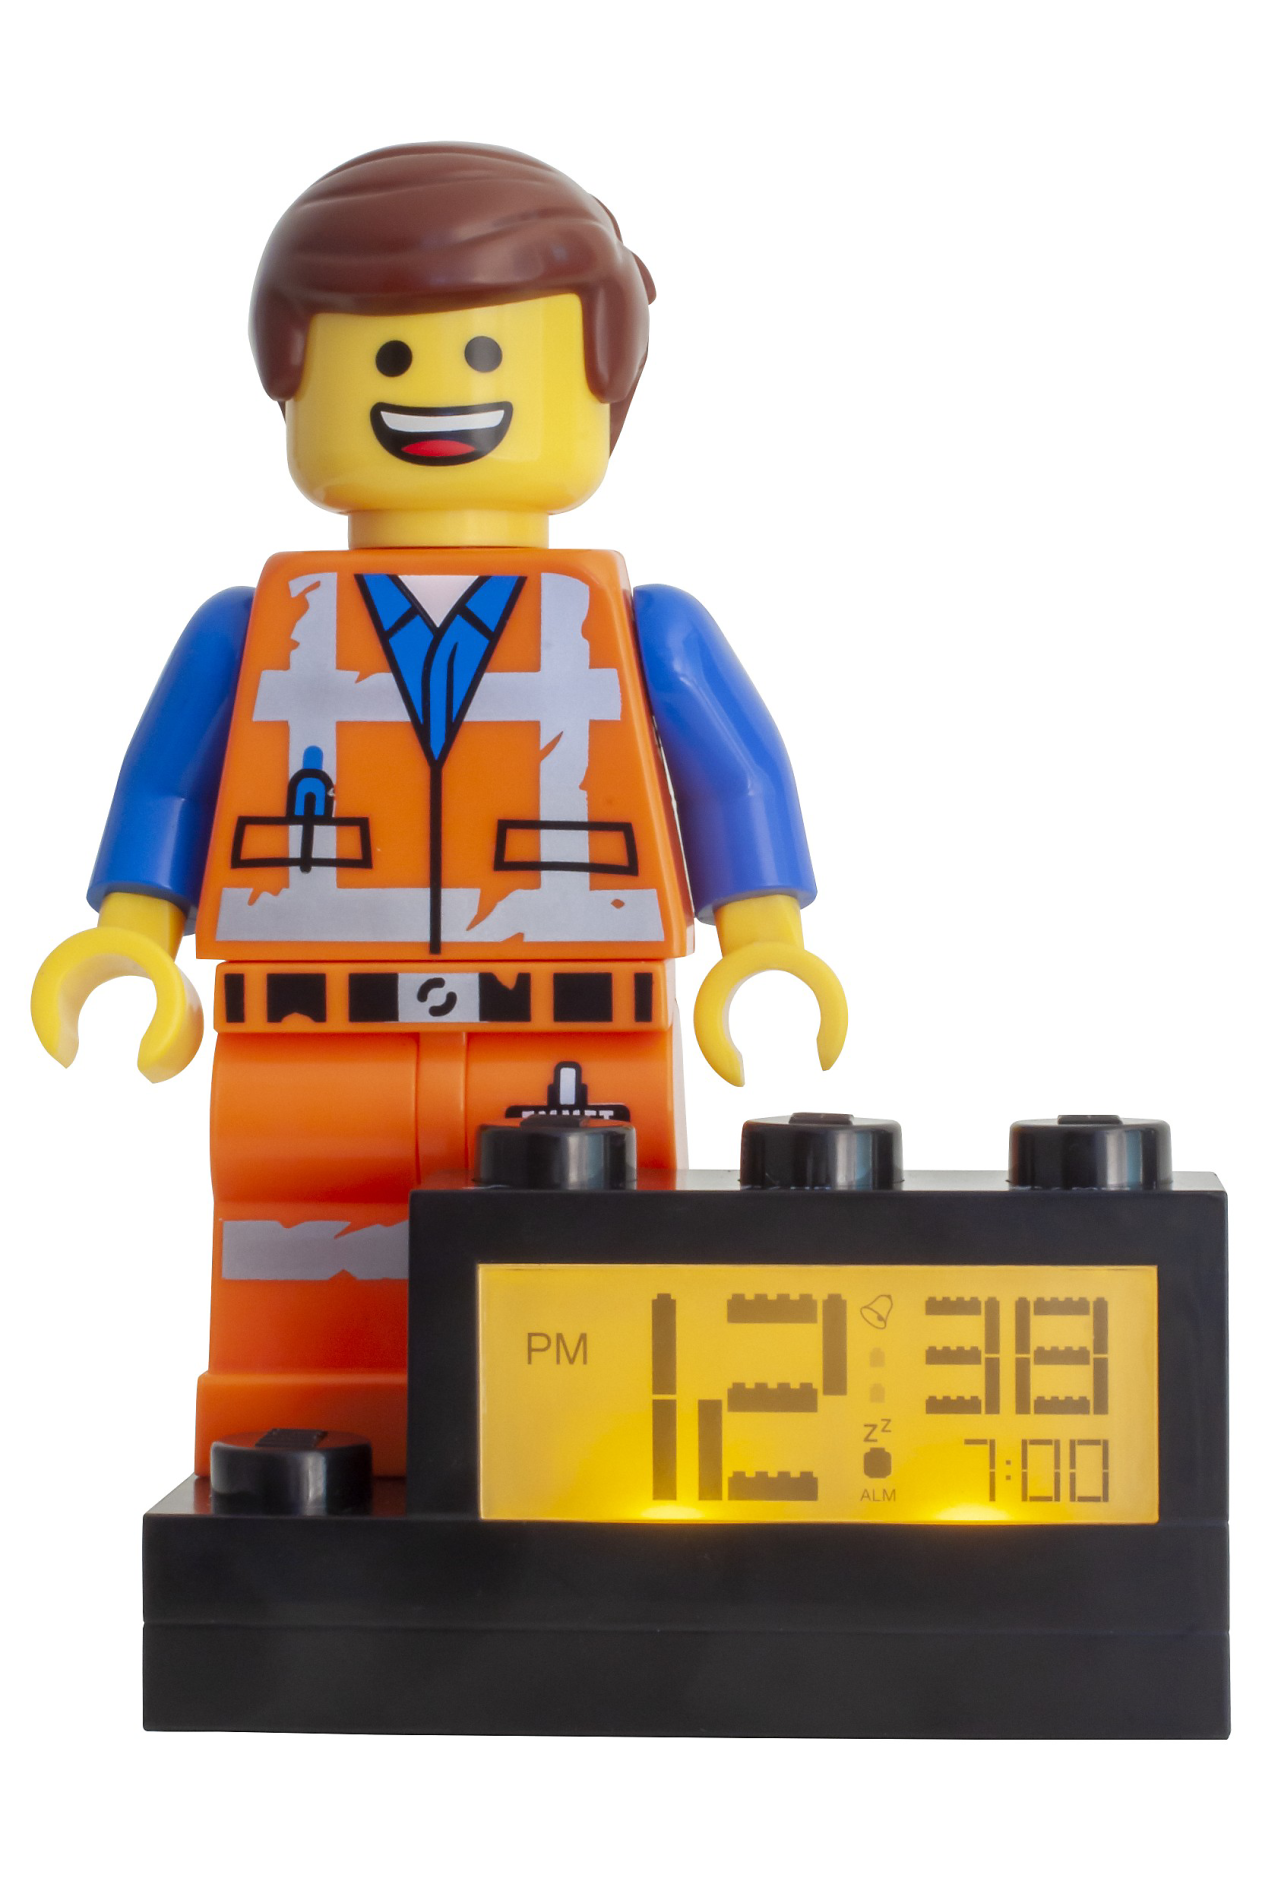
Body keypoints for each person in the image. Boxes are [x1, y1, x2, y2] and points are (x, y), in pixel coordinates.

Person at [32, 143, 845, 1475]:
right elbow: (170, 780)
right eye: (388, 358)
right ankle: (296, 1447)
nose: (435, 394)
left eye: (483, 356)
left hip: (573, 1020)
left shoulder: (640, 627)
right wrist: (131, 933)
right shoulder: (252, 630)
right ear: (294, 384)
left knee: (582, 1253)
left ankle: (579, 1444)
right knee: (295, 1231)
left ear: (601, 386)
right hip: (311, 1021)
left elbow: (732, 777)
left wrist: (762, 945)